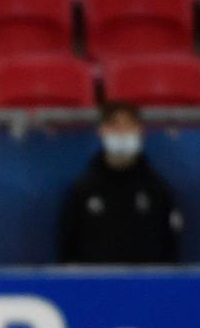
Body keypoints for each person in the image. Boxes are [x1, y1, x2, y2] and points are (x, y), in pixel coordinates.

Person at [58, 101, 183, 264]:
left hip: (146, 285)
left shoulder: (158, 190)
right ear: (102, 131)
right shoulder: (82, 190)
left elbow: (170, 246)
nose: (122, 133)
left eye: (128, 126)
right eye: (115, 126)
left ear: (140, 131)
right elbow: (67, 244)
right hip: (96, 285)